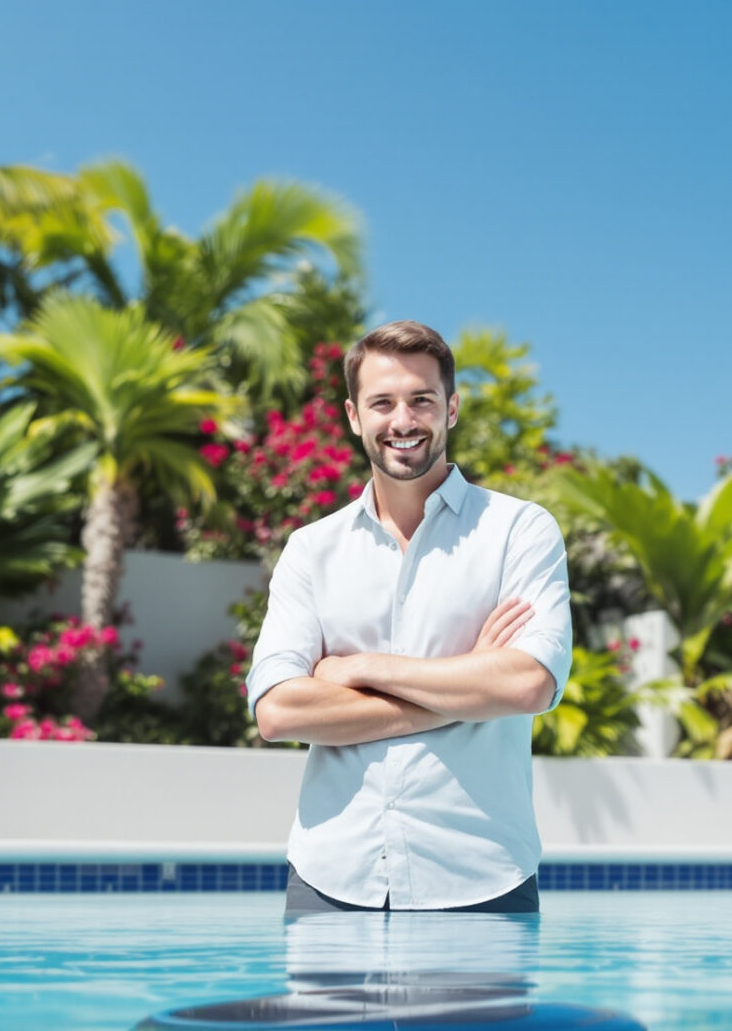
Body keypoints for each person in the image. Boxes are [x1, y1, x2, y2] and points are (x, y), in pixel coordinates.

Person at [243, 320, 573, 914]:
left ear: (451, 408)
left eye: (422, 399)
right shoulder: (311, 550)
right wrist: (470, 681)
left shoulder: (519, 530)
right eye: (382, 403)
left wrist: (360, 668)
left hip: (481, 878)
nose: (403, 420)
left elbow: (528, 683)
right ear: (353, 415)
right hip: (330, 880)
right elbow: (278, 710)